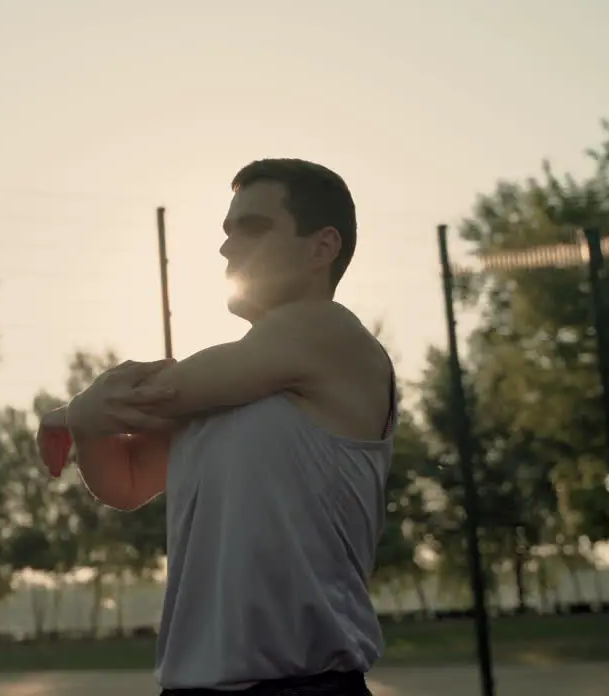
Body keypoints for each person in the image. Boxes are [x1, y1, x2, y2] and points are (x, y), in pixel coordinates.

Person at [39, 159, 395, 695]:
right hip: (190, 686)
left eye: (252, 228)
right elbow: (127, 482)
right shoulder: (228, 383)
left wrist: (73, 413)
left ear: (322, 247)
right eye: (227, 232)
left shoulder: (327, 330)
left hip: (303, 686)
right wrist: (88, 426)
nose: (227, 249)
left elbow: (162, 392)